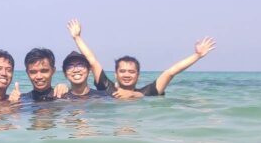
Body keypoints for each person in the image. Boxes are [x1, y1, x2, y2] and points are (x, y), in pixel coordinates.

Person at [67, 18, 216, 98]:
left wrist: (197, 56)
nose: (126, 74)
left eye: (131, 72)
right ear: (116, 74)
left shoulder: (148, 92)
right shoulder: (106, 88)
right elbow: (92, 61)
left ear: (138, 75)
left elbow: (171, 72)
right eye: (123, 71)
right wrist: (77, 38)